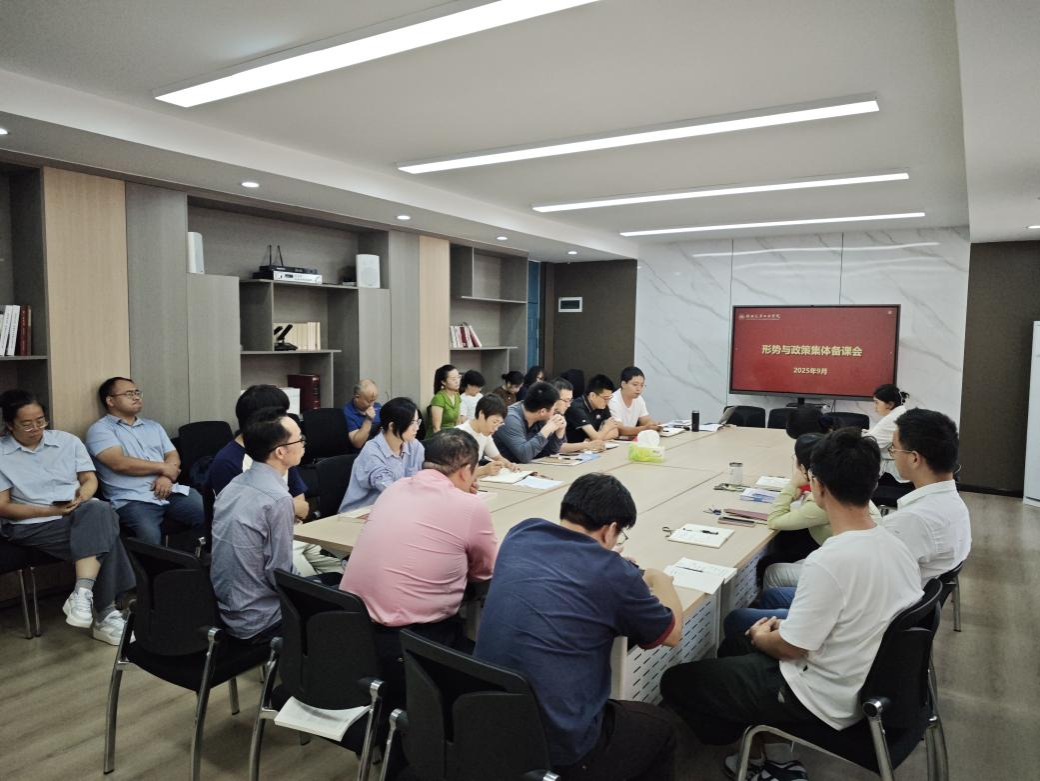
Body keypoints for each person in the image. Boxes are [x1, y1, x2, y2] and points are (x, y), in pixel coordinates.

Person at [661, 429, 922, 781]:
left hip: (821, 695)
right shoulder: (896, 545)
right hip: (865, 676)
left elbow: (791, 648)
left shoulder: (830, 561)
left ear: (818, 486)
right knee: (735, 643)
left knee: (677, 680)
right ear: (873, 483)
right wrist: (773, 632)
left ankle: (760, 752)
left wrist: (763, 636)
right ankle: (767, 752)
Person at [476, 473, 682, 780]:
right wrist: (657, 578)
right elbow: (672, 634)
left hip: (486, 720)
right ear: (610, 530)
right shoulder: (614, 574)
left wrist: (611, 566)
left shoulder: (522, 533)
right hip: (562, 747)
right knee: (662, 729)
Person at [340, 429, 497, 694]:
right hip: (416, 642)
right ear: (465, 471)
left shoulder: (395, 488)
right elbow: (486, 571)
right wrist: (467, 500)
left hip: (355, 628)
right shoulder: (470, 506)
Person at [0, 389, 134, 645]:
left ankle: (82, 593)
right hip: (29, 523)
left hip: (77, 513)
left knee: (98, 510)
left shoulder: (67, 441)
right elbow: (3, 507)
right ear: (9, 425)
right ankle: (105, 614)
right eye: (27, 424)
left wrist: (82, 497)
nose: (36, 429)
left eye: (40, 421)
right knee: (106, 533)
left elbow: (89, 479)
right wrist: (52, 511)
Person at [208, 384, 341, 577]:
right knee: (321, 586)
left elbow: (302, 508)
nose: (288, 419)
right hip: (266, 551)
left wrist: (288, 509)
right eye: (281, 414)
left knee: (347, 573)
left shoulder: (281, 453)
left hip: (295, 533)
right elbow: (249, 524)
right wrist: (286, 508)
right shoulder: (230, 461)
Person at [210, 408, 305, 642]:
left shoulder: (234, 484)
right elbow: (280, 574)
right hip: (261, 619)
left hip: (225, 609)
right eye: (300, 439)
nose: (304, 444)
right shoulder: (277, 499)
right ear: (281, 452)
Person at [86, 377, 206, 545]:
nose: (136, 397)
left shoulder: (153, 426)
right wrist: (163, 468)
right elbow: (119, 463)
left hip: (170, 490)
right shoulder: (100, 430)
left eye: (137, 392)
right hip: (132, 499)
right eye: (129, 394)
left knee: (210, 515)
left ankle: (196, 558)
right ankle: (157, 564)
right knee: (149, 538)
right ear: (110, 401)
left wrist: (166, 477)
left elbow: (172, 455)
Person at [882, 408, 971, 584]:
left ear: (914, 458)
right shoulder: (956, 505)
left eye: (894, 449)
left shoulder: (911, 522)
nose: (893, 455)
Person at [339, 397, 424, 512]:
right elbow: (389, 489)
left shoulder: (415, 446)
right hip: (360, 513)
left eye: (417, 422)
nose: (417, 428)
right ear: (392, 426)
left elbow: (420, 482)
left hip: (393, 509)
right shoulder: (372, 452)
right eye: (411, 423)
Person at [492, 381, 567, 463]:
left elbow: (550, 453)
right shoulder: (510, 418)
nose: (555, 412)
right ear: (542, 411)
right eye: (554, 409)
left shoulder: (540, 418)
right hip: (500, 467)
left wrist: (559, 432)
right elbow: (525, 456)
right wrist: (546, 430)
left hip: (523, 467)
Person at [455, 394, 517, 477]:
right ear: (482, 414)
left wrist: (509, 465)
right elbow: (456, 473)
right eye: (494, 422)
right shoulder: (459, 435)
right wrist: (484, 470)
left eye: (499, 424)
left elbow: (498, 458)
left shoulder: (485, 434)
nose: (496, 429)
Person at [865, 383, 909, 481]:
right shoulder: (901, 412)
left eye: (877, 403)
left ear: (890, 404)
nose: (874, 407)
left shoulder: (893, 419)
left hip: (898, 470)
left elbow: (867, 444)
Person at [565, 374, 621, 445]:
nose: (607, 401)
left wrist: (593, 439)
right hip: (574, 449)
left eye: (609, 398)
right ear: (592, 396)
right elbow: (596, 437)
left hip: (590, 446)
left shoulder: (602, 405)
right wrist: (606, 428)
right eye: (605, 398)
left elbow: (615, 432)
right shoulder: (577, 407)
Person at [608, 367, 660, 437]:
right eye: (635, 384)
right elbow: (620, 430)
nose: (639, 389)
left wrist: (652, 425)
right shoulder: (613, 400)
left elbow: (645, 420)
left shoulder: (639, 399)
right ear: (623, 384)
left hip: (631, 438)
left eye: (642, 385)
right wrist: (644, 428)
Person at [343, 379, 382, 451]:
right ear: (357, 397)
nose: (372, 405)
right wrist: (368, 420)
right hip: (361, 453)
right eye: (369, 401)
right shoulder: (347, 412)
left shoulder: (378, 406)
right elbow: (358, 443)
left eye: (374, 400)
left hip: (378, 449)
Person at [428, 364, 463, 435]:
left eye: (458, 377)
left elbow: (458, 422)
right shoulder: (439, 398)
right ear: (443, 382)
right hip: (440, 437)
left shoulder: (457, 395)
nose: (457, 381)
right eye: (453, 379)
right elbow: (436, 428)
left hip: (452, 435)